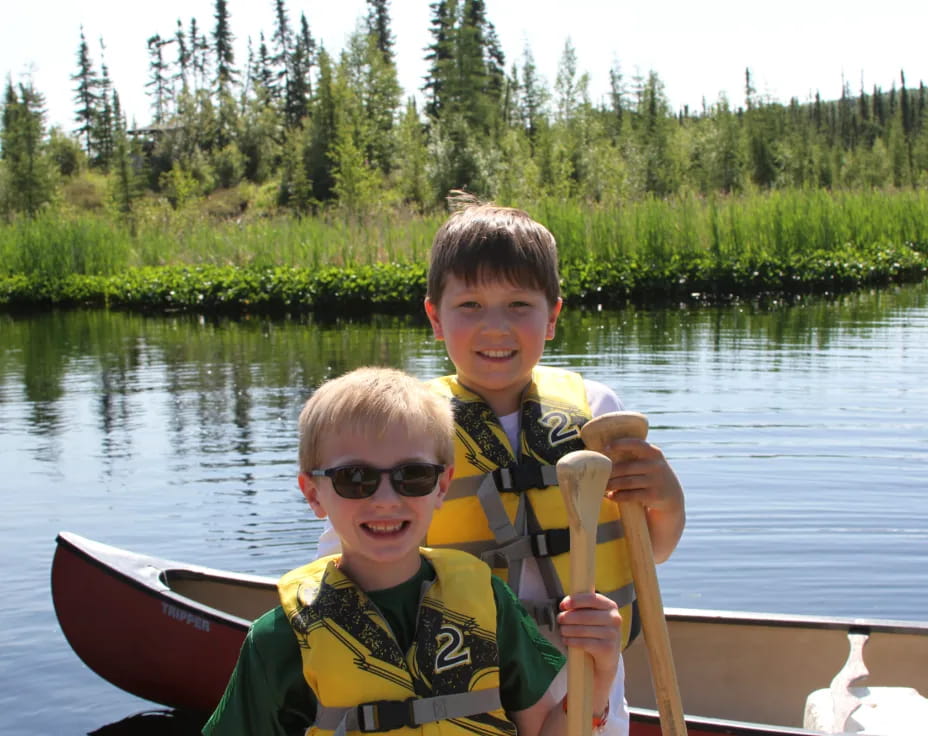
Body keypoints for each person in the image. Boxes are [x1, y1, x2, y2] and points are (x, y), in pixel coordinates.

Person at [203, 366, 622, 736]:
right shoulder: (278, 639)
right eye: (355, 478)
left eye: (413, 475)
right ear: (313, 494)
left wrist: (598, 678)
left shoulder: (490, 604)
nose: (386, 499)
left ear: (441, 486)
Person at [420, 201, 686, 735]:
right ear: (435, 318)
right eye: (470, 304)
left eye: (519, 304)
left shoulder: (597, 412)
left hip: (588, 677)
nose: (495, 327)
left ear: (553, 317)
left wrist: (667, 496)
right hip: (465, 686)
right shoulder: (407, 424)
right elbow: (350, 560)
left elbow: (649, 548)